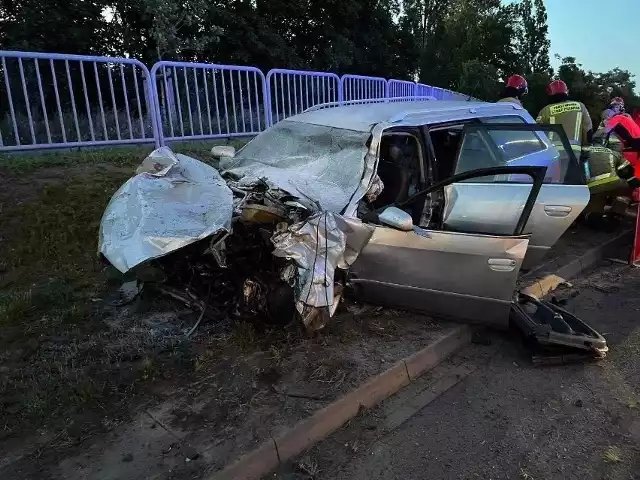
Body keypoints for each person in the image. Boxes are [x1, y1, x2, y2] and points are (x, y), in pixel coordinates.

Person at [536, 80, 593, 147]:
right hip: (574, 150)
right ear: (566, 91)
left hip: (552, 151)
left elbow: (537, 131)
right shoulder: (580, 106)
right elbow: (588, 129)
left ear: (550, 94)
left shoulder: (545, 110)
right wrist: (587, 145)